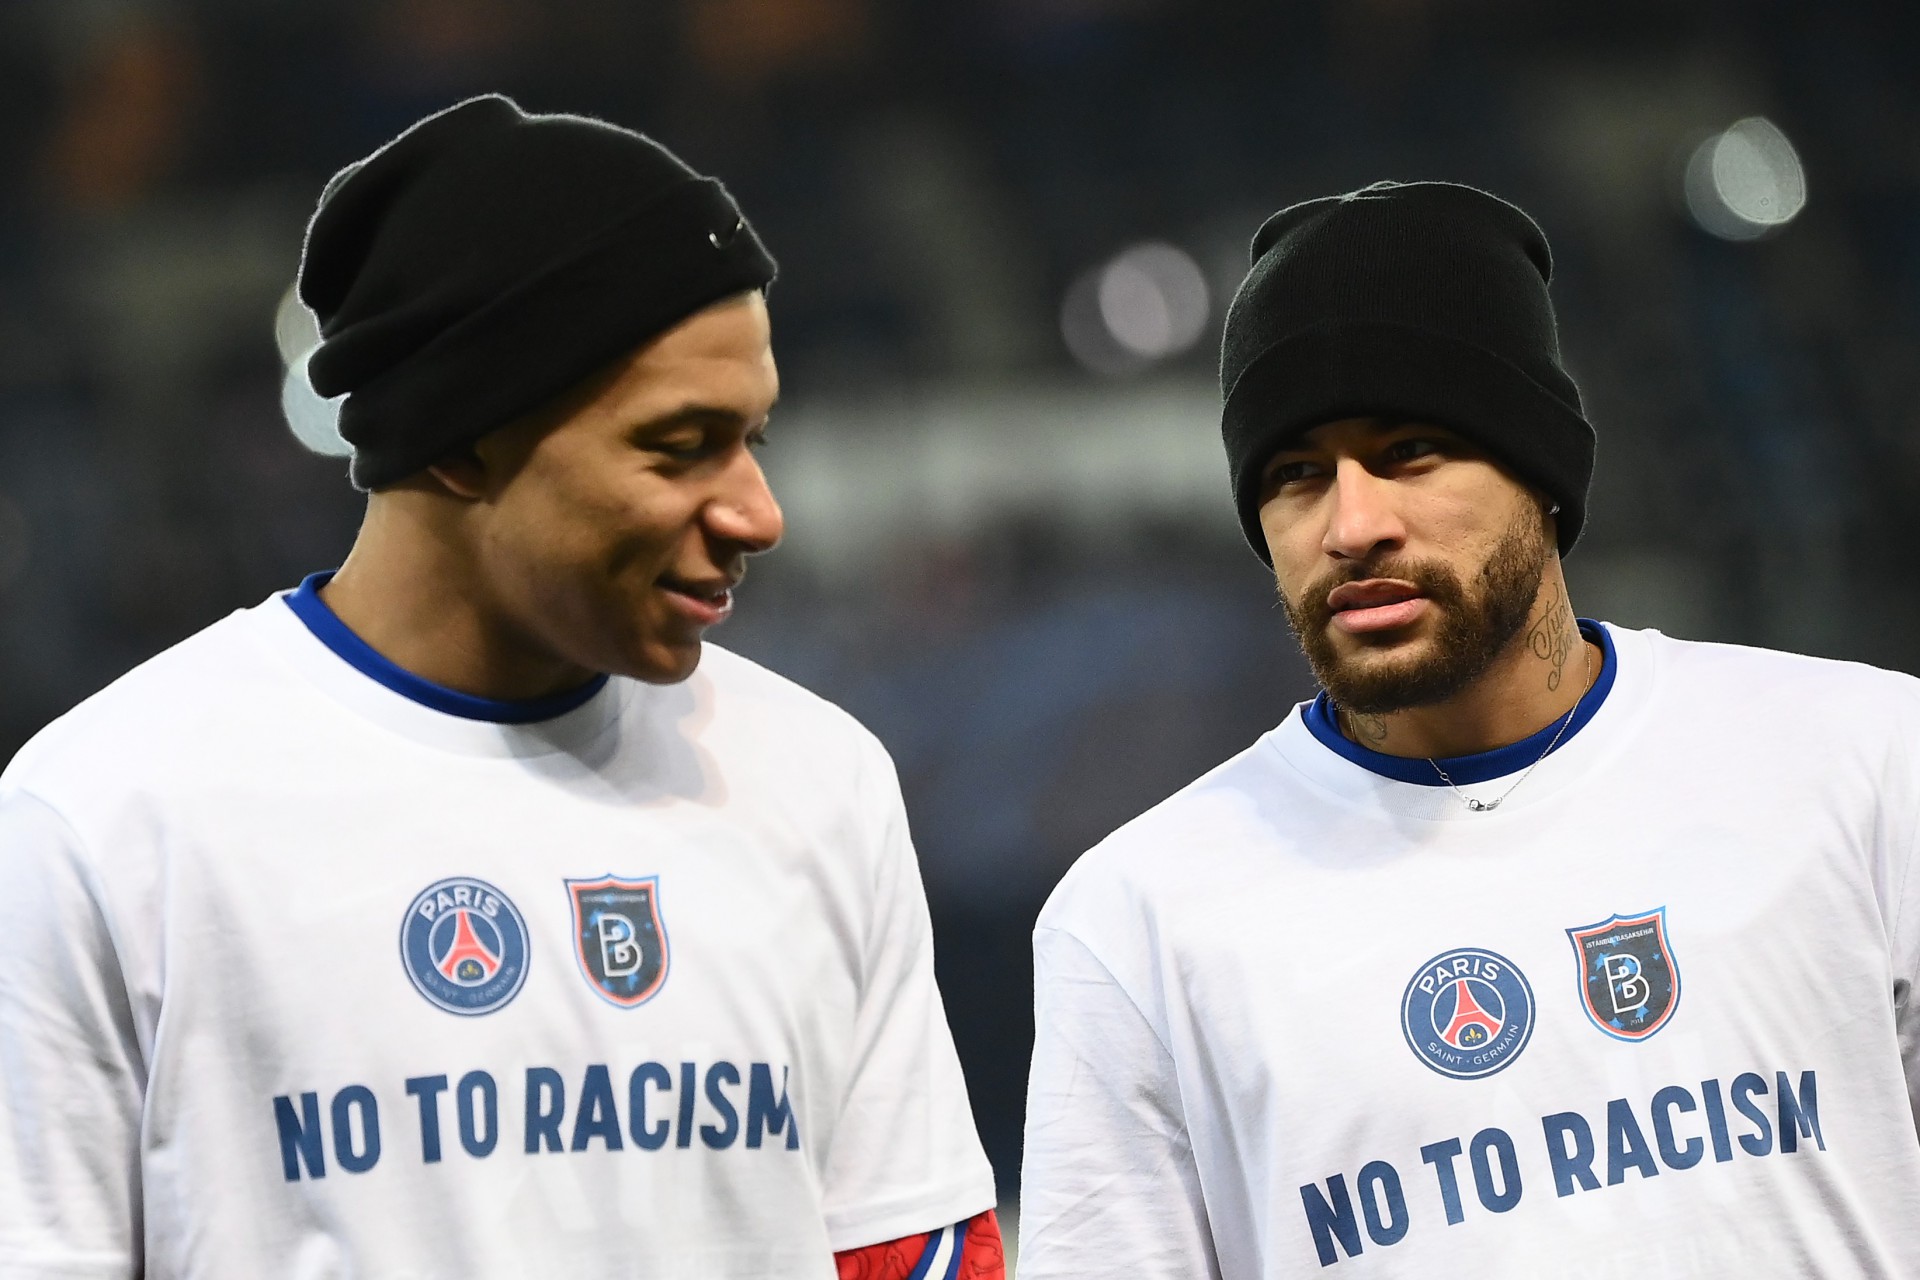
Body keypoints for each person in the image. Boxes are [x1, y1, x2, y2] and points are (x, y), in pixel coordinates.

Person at [0, 96, 1002, 1279]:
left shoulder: (818, 776)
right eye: (679, 445)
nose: (757, 514)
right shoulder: (106, 815)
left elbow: (911, 1243)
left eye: (754, 442)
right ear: (458, 437)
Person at [1017, 180, 1920, 1276]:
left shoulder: (1865, 760)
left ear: (1540, 466)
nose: (1353, 525)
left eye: (1410, 450)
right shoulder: (1136, 923)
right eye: (1297, 473)